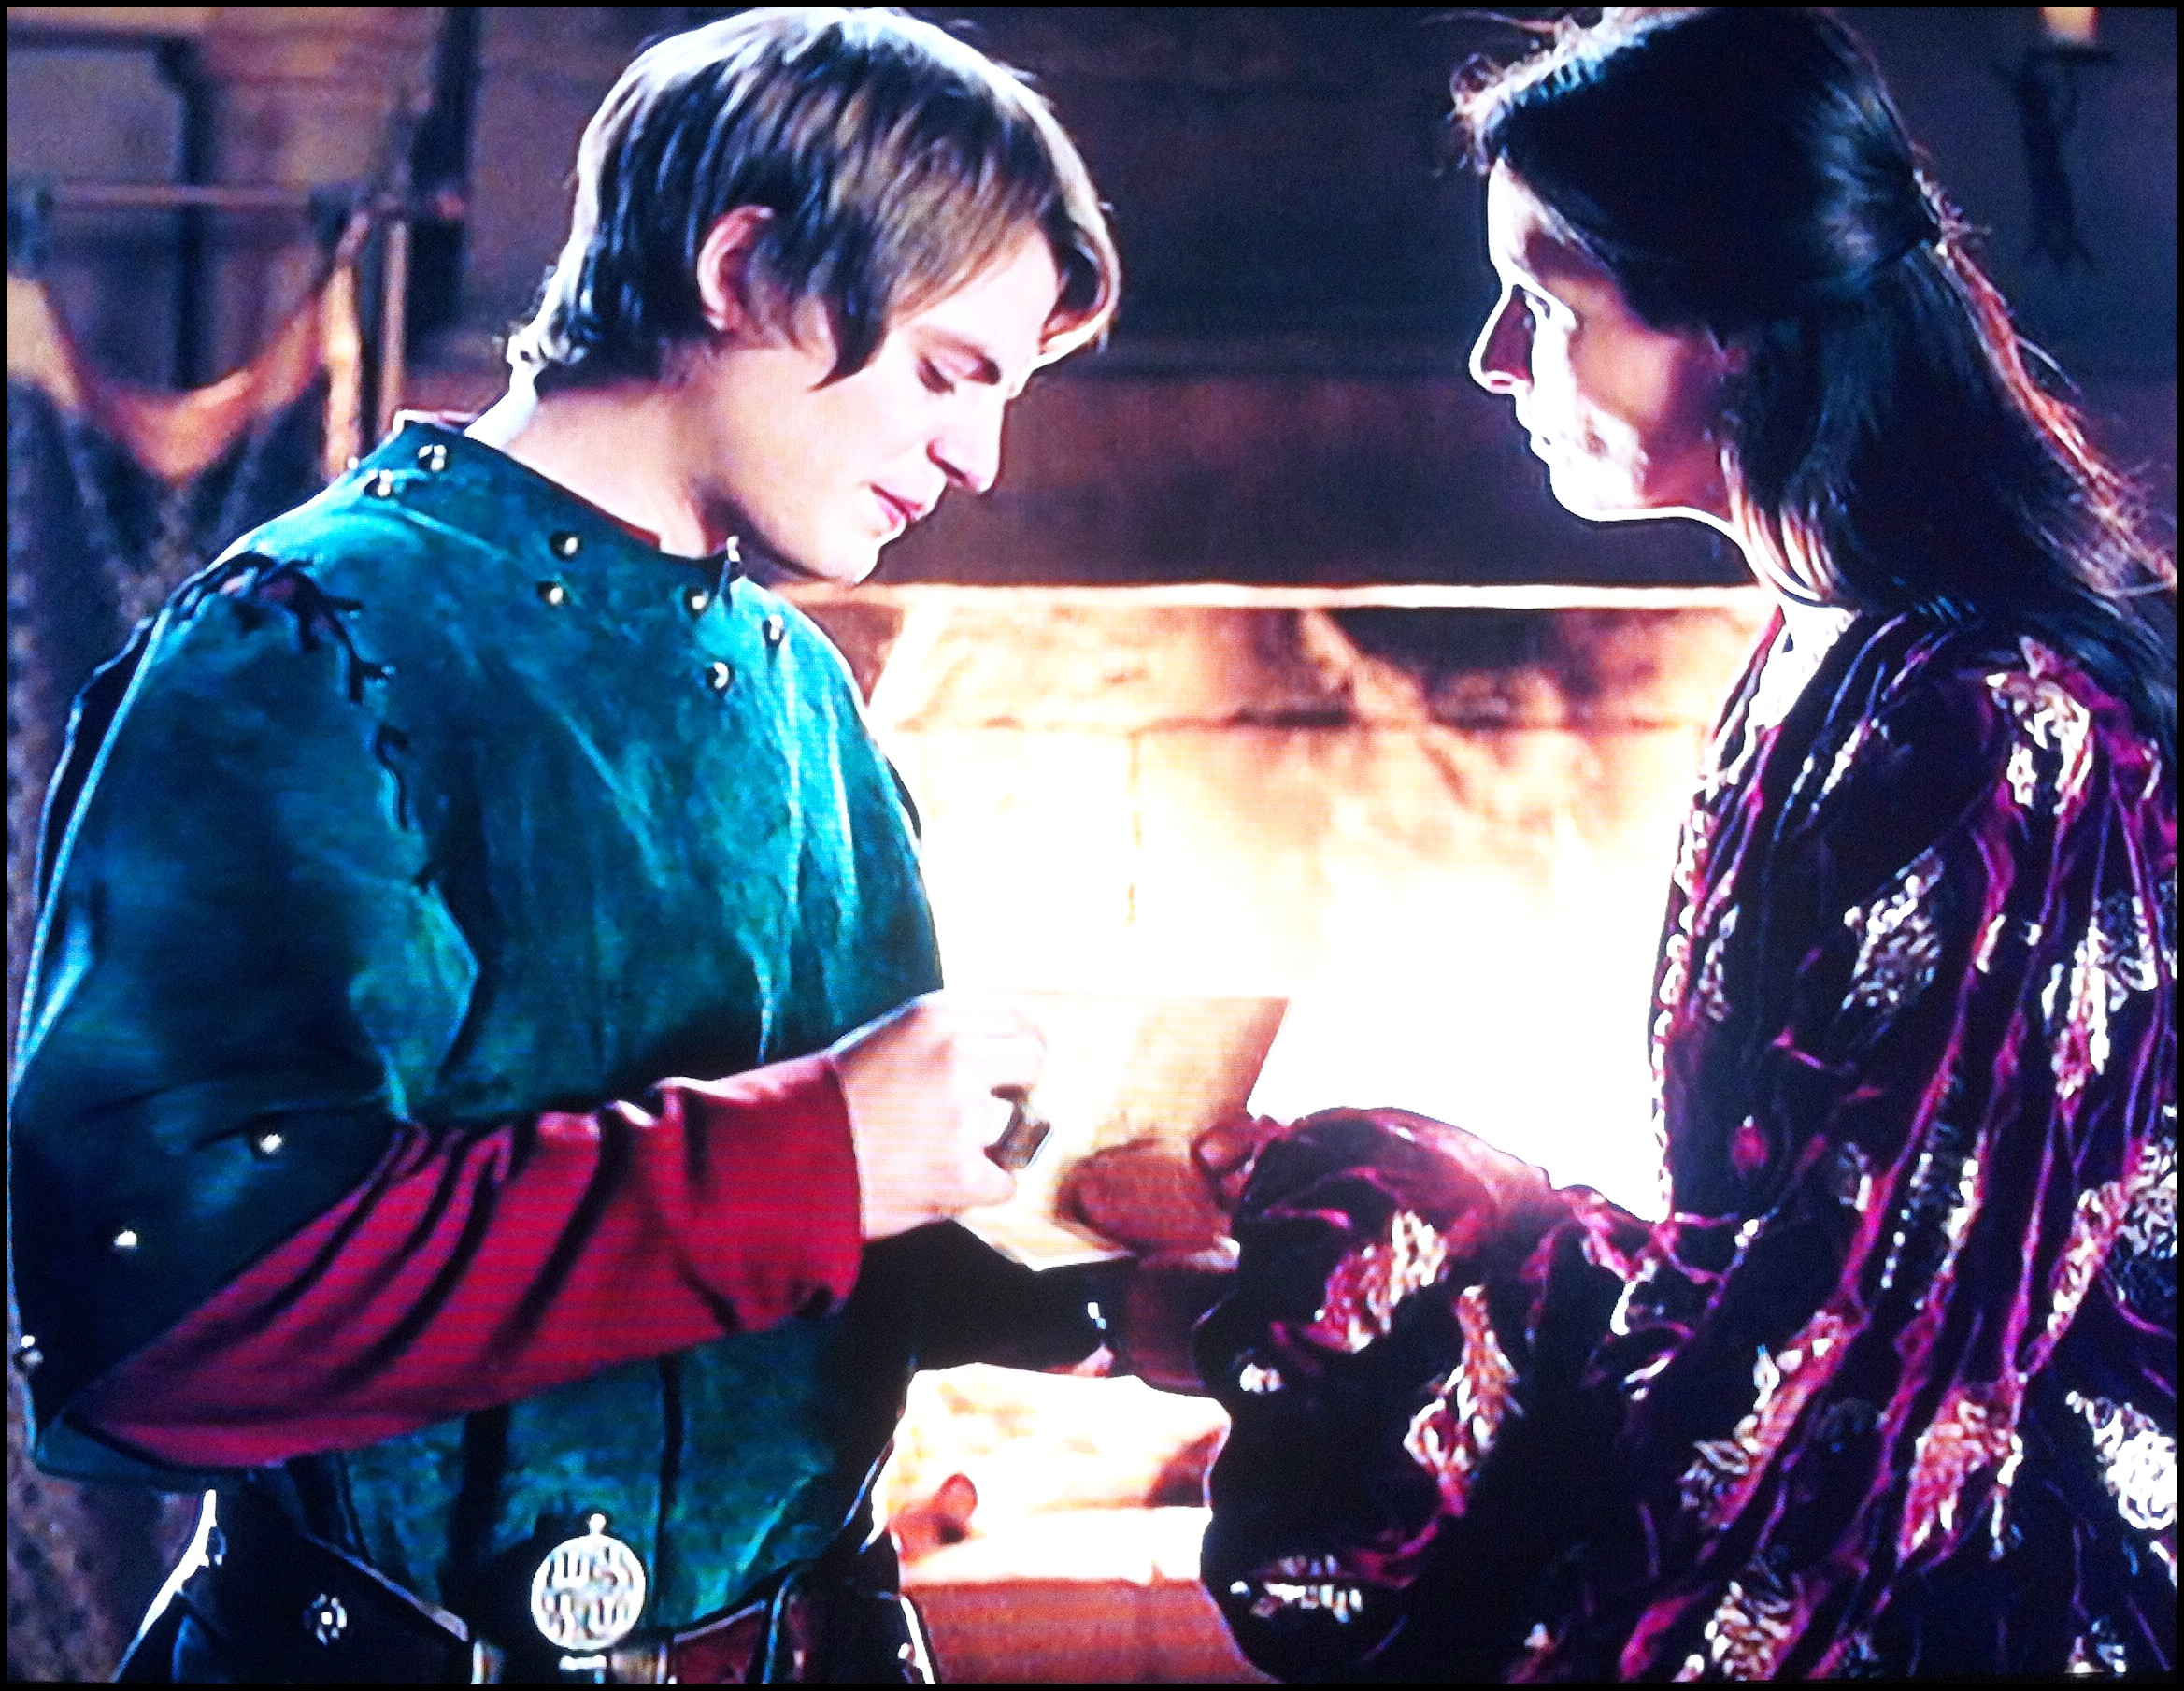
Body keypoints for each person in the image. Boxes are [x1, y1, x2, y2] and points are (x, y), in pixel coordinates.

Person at [9, 8, 1135, 1681]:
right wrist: (815, 1154)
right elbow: (168, 1315)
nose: (979, 457)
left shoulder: (803, 695)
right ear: (742, 272)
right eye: (947, 371)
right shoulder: (307, 645)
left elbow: (781, 1268)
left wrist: (1098, 1293)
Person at [1192, 8, 2175, 1680]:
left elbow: (1852, 1360)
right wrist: (1357, 1233)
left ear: (1733, 320)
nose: (1491, 360)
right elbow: (1766, 1248)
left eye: (1544, 301)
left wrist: (1392, 1218)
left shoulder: (1991, 724)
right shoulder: (1827, 650)